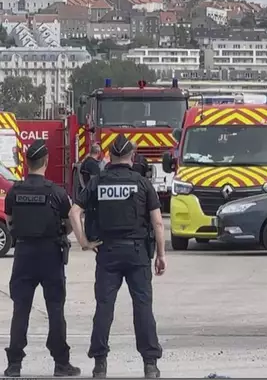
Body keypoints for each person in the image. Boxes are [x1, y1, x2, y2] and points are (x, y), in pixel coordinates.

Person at [68, 133, 166, 379]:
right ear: (132, 157)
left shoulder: (98, 182)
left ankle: (100, 364)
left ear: (109, 156)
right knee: (143, 307)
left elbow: (74, 212)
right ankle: (150, 364)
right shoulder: (143, 184)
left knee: (104, 308)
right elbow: (157, 223)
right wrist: (161, 255)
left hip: (107, 252)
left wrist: (84, 242)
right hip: (137, 253)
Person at [4, 139, 81, 377]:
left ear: (26, 163)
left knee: (21, 310)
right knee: (56, 309)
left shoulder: (14, 191)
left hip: (24, 255)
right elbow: (69, 225)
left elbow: (10, 222)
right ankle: (61, 363)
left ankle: (14, 364)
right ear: (46, 161)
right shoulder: (56, 193)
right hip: (50, 255)